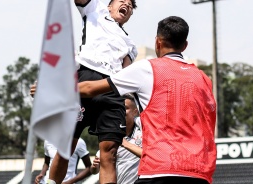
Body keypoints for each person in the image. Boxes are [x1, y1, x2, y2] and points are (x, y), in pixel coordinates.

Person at [77, 16, 217, 184]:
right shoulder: (203, 78)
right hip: (199, 172)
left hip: (159, 170)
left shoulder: (148, 68)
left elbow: (90, 89)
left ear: (157, 42)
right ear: (185, 45)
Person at [44, 0, 138, 183]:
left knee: (110, 153)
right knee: (66, 147)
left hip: (111, 88)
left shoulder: (130, 43)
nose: (126, 4)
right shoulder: (95, 8)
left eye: (130, 5)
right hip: (85, 78)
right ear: (110, 5)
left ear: (130, 14)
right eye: (122, 0)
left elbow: (126, 72)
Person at [90, 94, 143, 184]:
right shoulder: (110, 135)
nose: (120, 111)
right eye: (118, 108)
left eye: (125, 108)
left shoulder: (143, 132)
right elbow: (94, 171)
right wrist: (94, 167)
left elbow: (150, 156)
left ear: (135, 112)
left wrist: (125, 143)